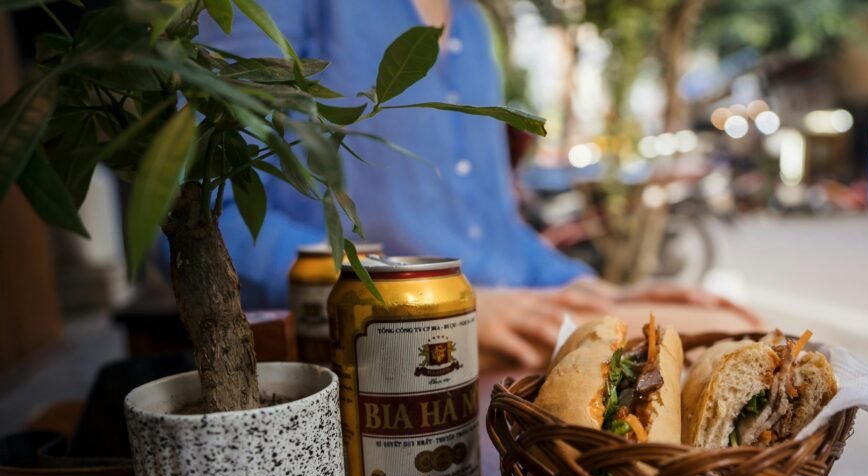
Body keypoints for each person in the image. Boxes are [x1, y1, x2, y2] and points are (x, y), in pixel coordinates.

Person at [203, 0, 761, 370]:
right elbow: (208, 222)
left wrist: (591, 288)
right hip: (386, 359)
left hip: (507, 337)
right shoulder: (286, 9)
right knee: (729, 337)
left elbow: (494, 229)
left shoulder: (471, 22)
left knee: (738, 329)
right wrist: (423, 306)